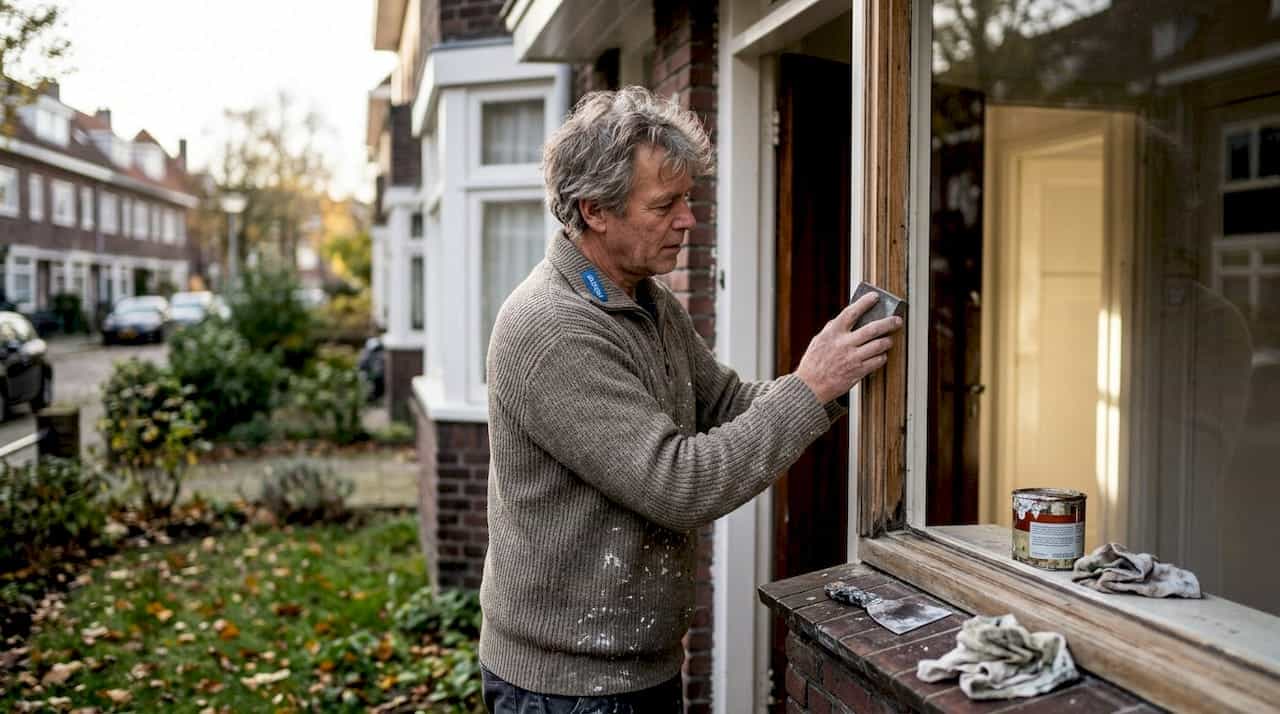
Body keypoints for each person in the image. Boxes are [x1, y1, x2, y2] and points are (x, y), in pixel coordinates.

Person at [480, 86, 903, 713]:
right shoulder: (553, 328)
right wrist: (809, 387)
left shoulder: (646, 300)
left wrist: (832, 378)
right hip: (564, 687)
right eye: (666, 204)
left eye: (688, 198)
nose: (688, 220)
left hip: (639, 665)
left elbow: (728, 403)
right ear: (595, 210)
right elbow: (678, 485)